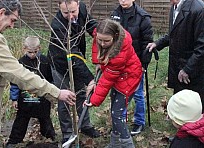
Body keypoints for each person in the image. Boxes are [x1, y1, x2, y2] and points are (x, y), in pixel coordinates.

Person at [0, 0, 76, 142]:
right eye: (12, 20)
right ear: (1, 13)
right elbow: (19, 74)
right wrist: (56, 92)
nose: (13, 26)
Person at [47, 0, 100, 143]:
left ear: (78, 4)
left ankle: (85, 125)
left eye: (73, 11)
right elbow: (73, 54)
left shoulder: (82, 8)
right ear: (59, 8)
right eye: (66, 12)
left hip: (76, 60)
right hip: (59, 64)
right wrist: (90, 79)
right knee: (64, 98)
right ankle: (67, 132)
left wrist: (100, 34)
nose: (70, 16)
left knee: (81, 93)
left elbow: (90, 25)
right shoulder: (58, 25)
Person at [85, 19, 142, 148]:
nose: (102, 44)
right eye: (100, 40)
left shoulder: (120, 52)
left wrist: (94, 100)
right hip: (118, 78)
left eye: (106, 41)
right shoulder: (98, 35)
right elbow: (96, 47)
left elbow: (107, 80)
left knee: (117, 114)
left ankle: (127, 144)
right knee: (114, 111)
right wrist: (100, 62)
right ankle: (115, 143)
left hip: (128, 79)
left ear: (115, 37)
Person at [147, 0, 204, 112]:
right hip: (178, 64)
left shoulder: (199, 9)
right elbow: (174, 33)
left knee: (195, 103)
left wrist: (188, 68)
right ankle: (181, 120)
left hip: (194, 67)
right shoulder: (175, 7)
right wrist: (157, 43)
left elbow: (202, 45)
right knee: (182, 99)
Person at [111, 0, 153, 135]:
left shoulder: (142, 17)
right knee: (119, 93)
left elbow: (147, 43)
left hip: (135, 63)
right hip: (118, 62)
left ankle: (139, 121)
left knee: (138, 94)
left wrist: (143, 64)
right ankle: (119, 120)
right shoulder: (114, 15)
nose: (123, 0)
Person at [6, 37, 56, 147]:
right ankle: (13, 141)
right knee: (21, 121)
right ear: (24, 49)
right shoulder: (20, 63)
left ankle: (51, 138)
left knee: (45, 120)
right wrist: (14, 99)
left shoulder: (44, 61)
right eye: (29, 52)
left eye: (35, 52)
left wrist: (51, 95)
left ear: (39, 48)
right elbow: (15, 82)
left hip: (42, 99)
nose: (32, 54)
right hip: (25, 100)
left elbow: (50, 80)